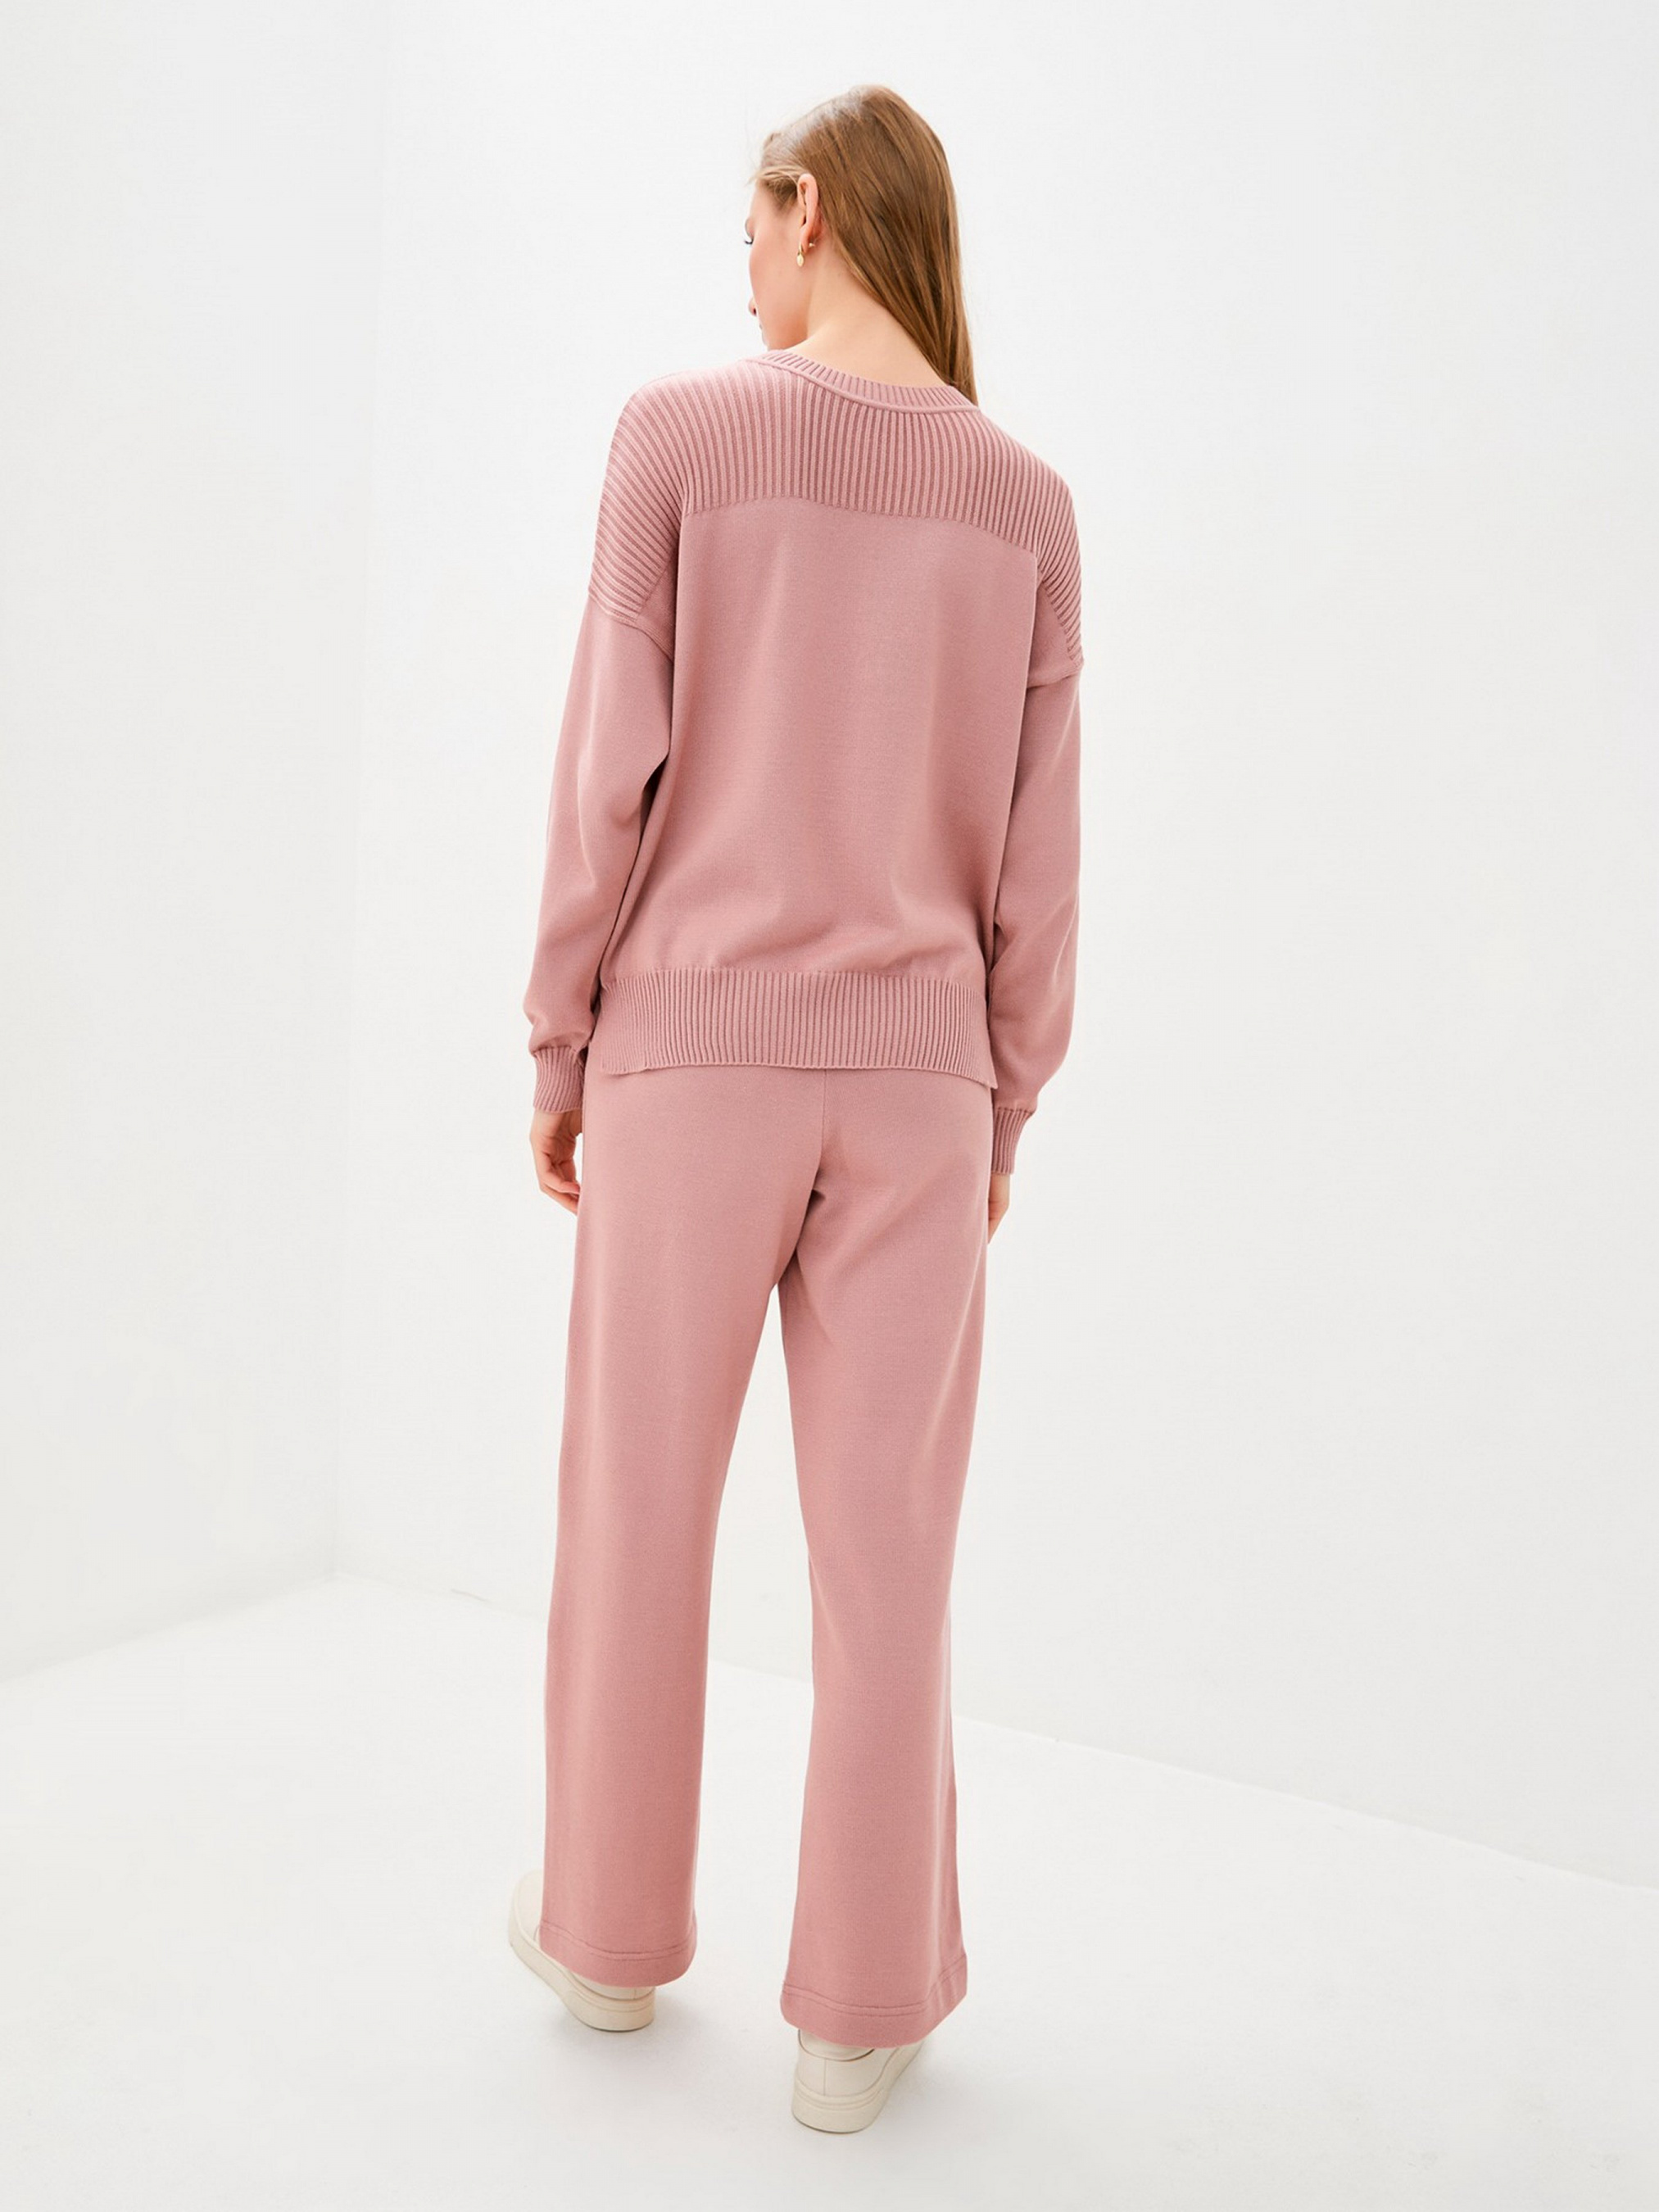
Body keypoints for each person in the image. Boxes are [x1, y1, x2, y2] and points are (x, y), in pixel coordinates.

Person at [507, 84, 1084, 2134]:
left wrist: (560, 1042)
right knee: (887, 1555)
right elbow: (1038, 870)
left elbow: (607, 780)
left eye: (747, 224)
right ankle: (858, 2015)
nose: (736, 261)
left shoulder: (676, 440)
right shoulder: (1027, 509)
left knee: (635, 1510)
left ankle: (601, 1939)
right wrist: (998, 1107)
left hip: (688, 1062)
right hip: (919, 1092)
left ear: (808, 207)